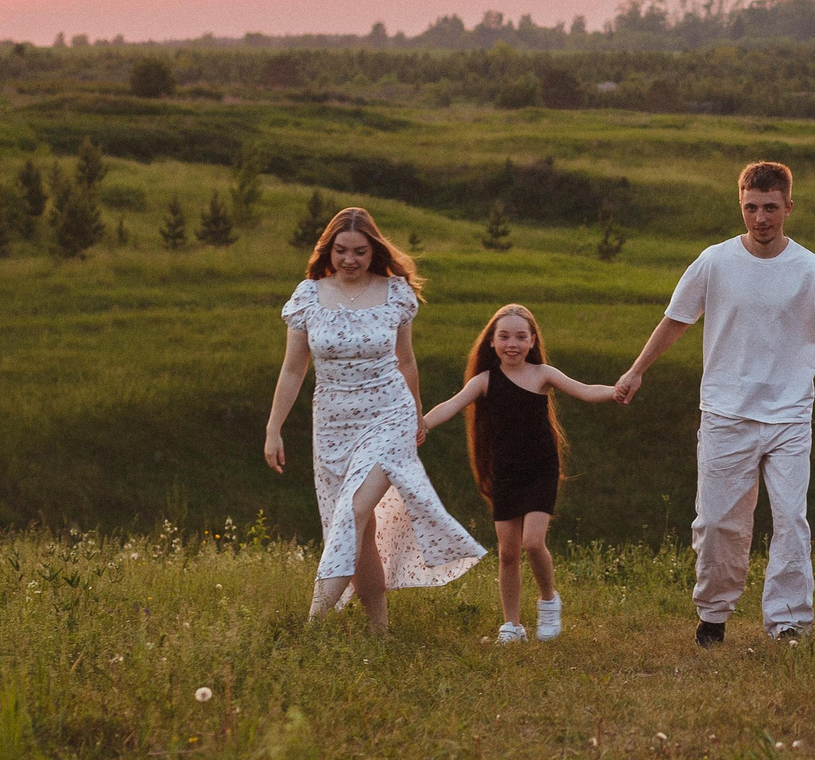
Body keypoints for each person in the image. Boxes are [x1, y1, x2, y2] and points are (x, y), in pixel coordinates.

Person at [615, 161, 815, 646]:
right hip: (726, 414)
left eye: (771, 208)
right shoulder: (714, 262)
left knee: (791, 519)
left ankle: (788, 623)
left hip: (789, 416)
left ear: (788, 207)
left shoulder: (812, 270)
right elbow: (676, 320)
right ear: (741, 206)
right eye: (751, 207)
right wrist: (637, 370)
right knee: (718, 521)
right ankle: (714, 614)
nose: (761, 217)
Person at [263, 206, 484, 627]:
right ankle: (378, 629)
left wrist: (417, 414)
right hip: (331, 425)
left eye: (360, 251)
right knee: (358, 531)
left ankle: (311, 625)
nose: (350, 259)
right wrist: (274, 427)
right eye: (341, 250)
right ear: (328, 250)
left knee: (353, 509)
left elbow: (406, 360)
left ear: (373, 251)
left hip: (388, 416)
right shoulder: (308, 296)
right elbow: (294, 369)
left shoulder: (395, 292)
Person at [419, 303, 620, 643]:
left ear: (532, 341)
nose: (512, 343)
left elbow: (585, 391)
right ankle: (512, 626)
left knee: (532, 543)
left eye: (520, 337)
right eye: (504, 336)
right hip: (505, 472)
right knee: (508, 552)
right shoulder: (484, 381)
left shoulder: (543, 374)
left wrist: (616, 391)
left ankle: (548, 600)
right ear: (492, 342)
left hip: (540, 469)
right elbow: (451, 405)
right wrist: (420, 425)